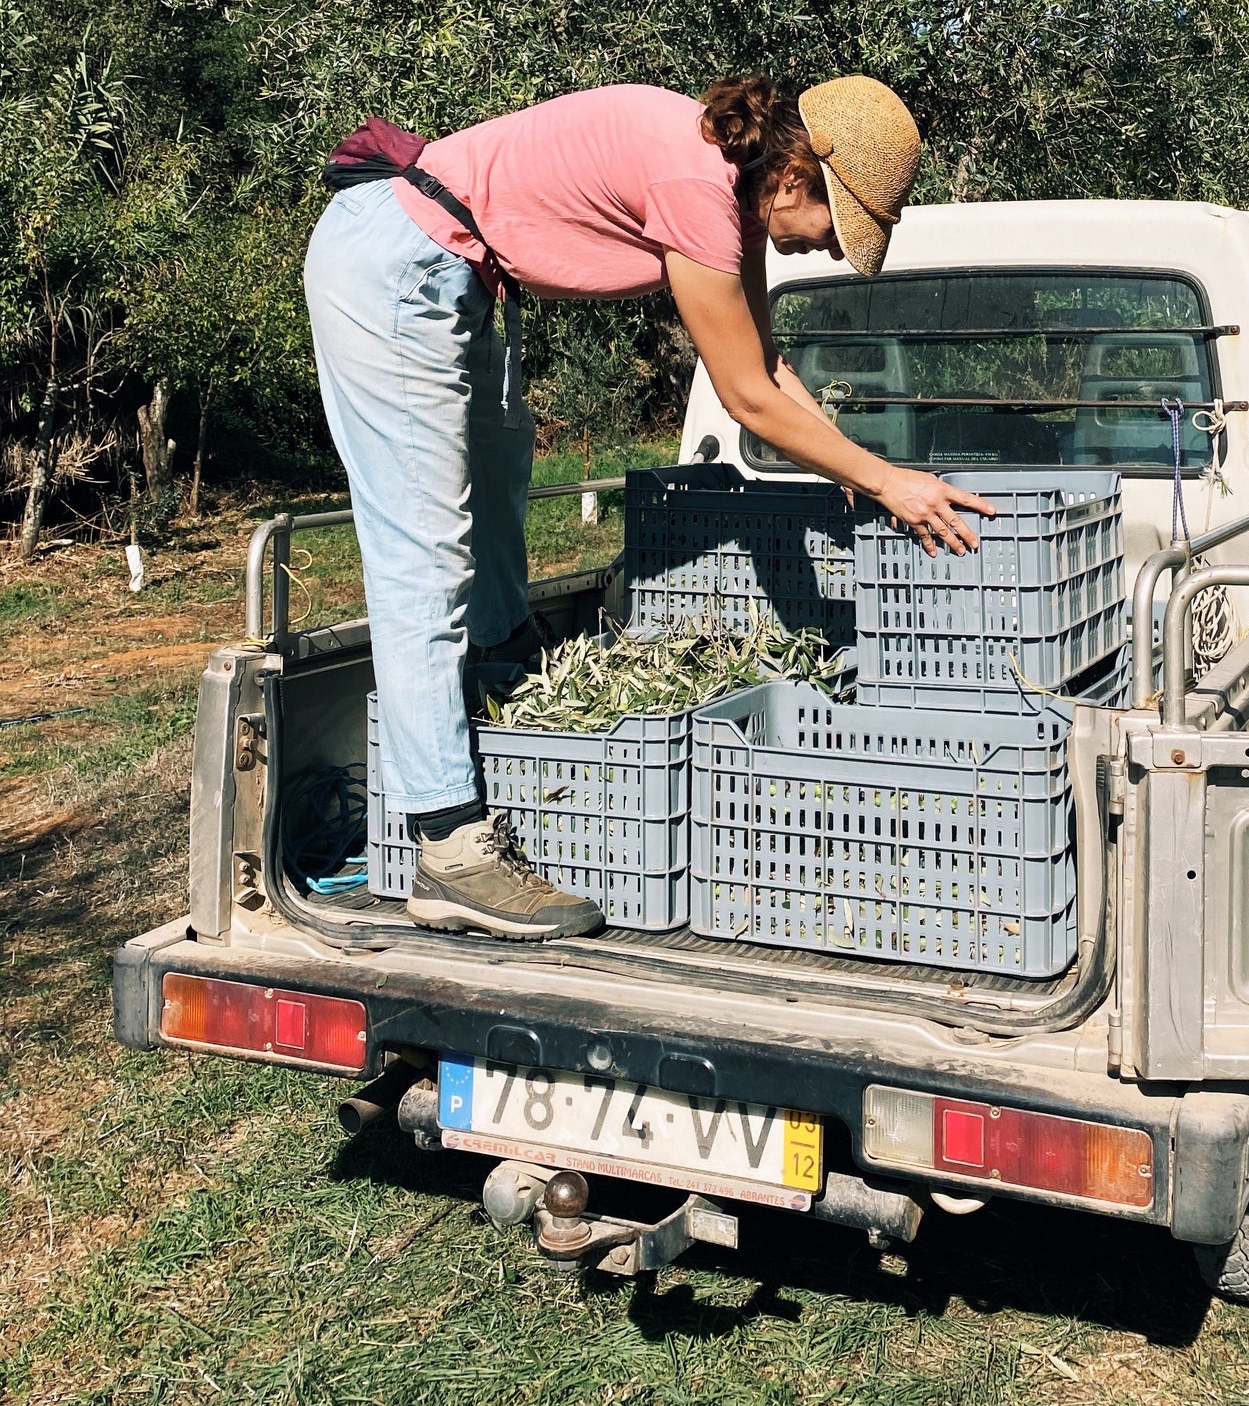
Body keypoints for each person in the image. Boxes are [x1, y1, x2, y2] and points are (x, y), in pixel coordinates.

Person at [302, 74, 991, 943]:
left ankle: (499, 698)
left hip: (450, 270)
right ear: (793, 180)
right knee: (426, 554)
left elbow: (769, 367)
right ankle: (450, 850)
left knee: (499, 498)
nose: (827, 251)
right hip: (397, 264)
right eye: (834, 228)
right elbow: (743, 396)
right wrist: (890, 483)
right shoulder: (697, 186)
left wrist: (859, 472)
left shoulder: (725, 181)